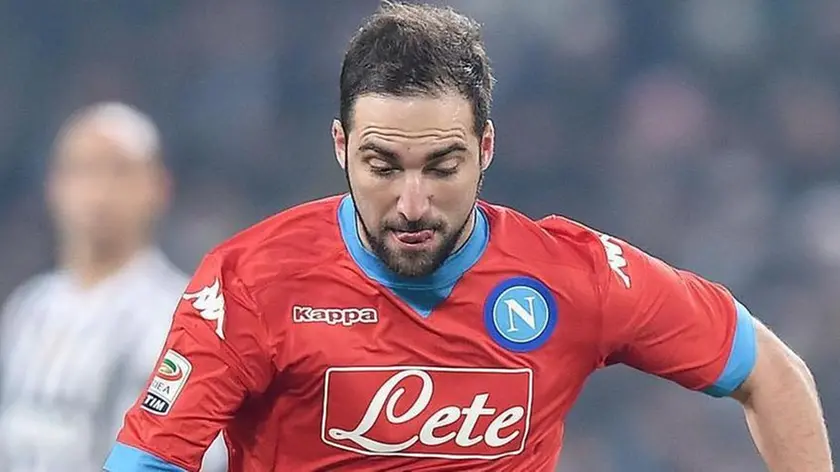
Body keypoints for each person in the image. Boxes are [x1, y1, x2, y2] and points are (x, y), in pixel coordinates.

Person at [104, 3, 832, 472]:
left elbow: (772, 373)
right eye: (382, 166)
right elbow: (149, 461)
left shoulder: (572, 276)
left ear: (486, 148)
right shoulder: (253, 279)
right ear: (340, 147)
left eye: (442, 166)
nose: (411, 204)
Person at [0, 102, 227, 472]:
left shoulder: (184, 314)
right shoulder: (28, 308)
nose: (98, 191)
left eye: (119, 171)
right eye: (82, 170)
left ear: (159, 186)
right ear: (53, 186)